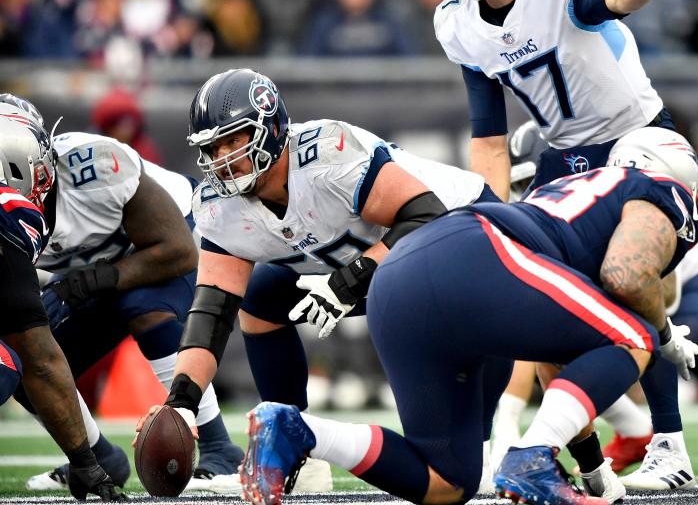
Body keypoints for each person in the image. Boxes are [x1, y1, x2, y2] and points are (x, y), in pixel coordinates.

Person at [237, 127, 698, 505]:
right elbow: (627, 275)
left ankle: (298, 428)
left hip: (399, 276)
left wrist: (593, 470)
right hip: (474, 248)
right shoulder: (657, 189)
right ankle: (531, 458)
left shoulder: (578, 194)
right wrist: (664, 335)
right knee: (636, 334)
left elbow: (552, 356)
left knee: (449, 481)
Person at [134, 68, 500, 491]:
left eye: (235, 140)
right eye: (214, 147)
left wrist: (349, 282)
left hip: (459, 233)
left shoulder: (327, 156)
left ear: (272, 129)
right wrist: (182, 402)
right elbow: (212, 312)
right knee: (260, 295)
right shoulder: (219, 204)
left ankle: (482, 440)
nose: (225, 158)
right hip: (376, 260)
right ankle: (295, 452)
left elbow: (424, 216)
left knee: (418, 310)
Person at [493, 123, 698, 487]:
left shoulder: (648, 202)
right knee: (580, 345)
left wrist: (509, 421)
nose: (521, 193)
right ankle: (634, 430)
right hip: (647, 279)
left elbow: (650, 297)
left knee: (667, 331)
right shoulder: (577, 201)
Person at [9, 96, 244, 494]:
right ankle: (97, 457)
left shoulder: (93, 165)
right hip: (98, 269)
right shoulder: (8, 215)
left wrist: (81, 285)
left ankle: (221, 449)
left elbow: (177, 250)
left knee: (145, 306)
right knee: (23, 362)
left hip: (179, 237)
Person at [432, 0, 686, 200]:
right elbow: (488, 141)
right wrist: (488, 220)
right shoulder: (460, 23)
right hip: (567, 157)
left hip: (637, 136)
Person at [0, 109, 124, 501]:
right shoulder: (10, 212)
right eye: (37, 167)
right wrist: (87, 463)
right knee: (6, 364)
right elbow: (39, 357)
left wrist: (85, 461)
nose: (47, 176)